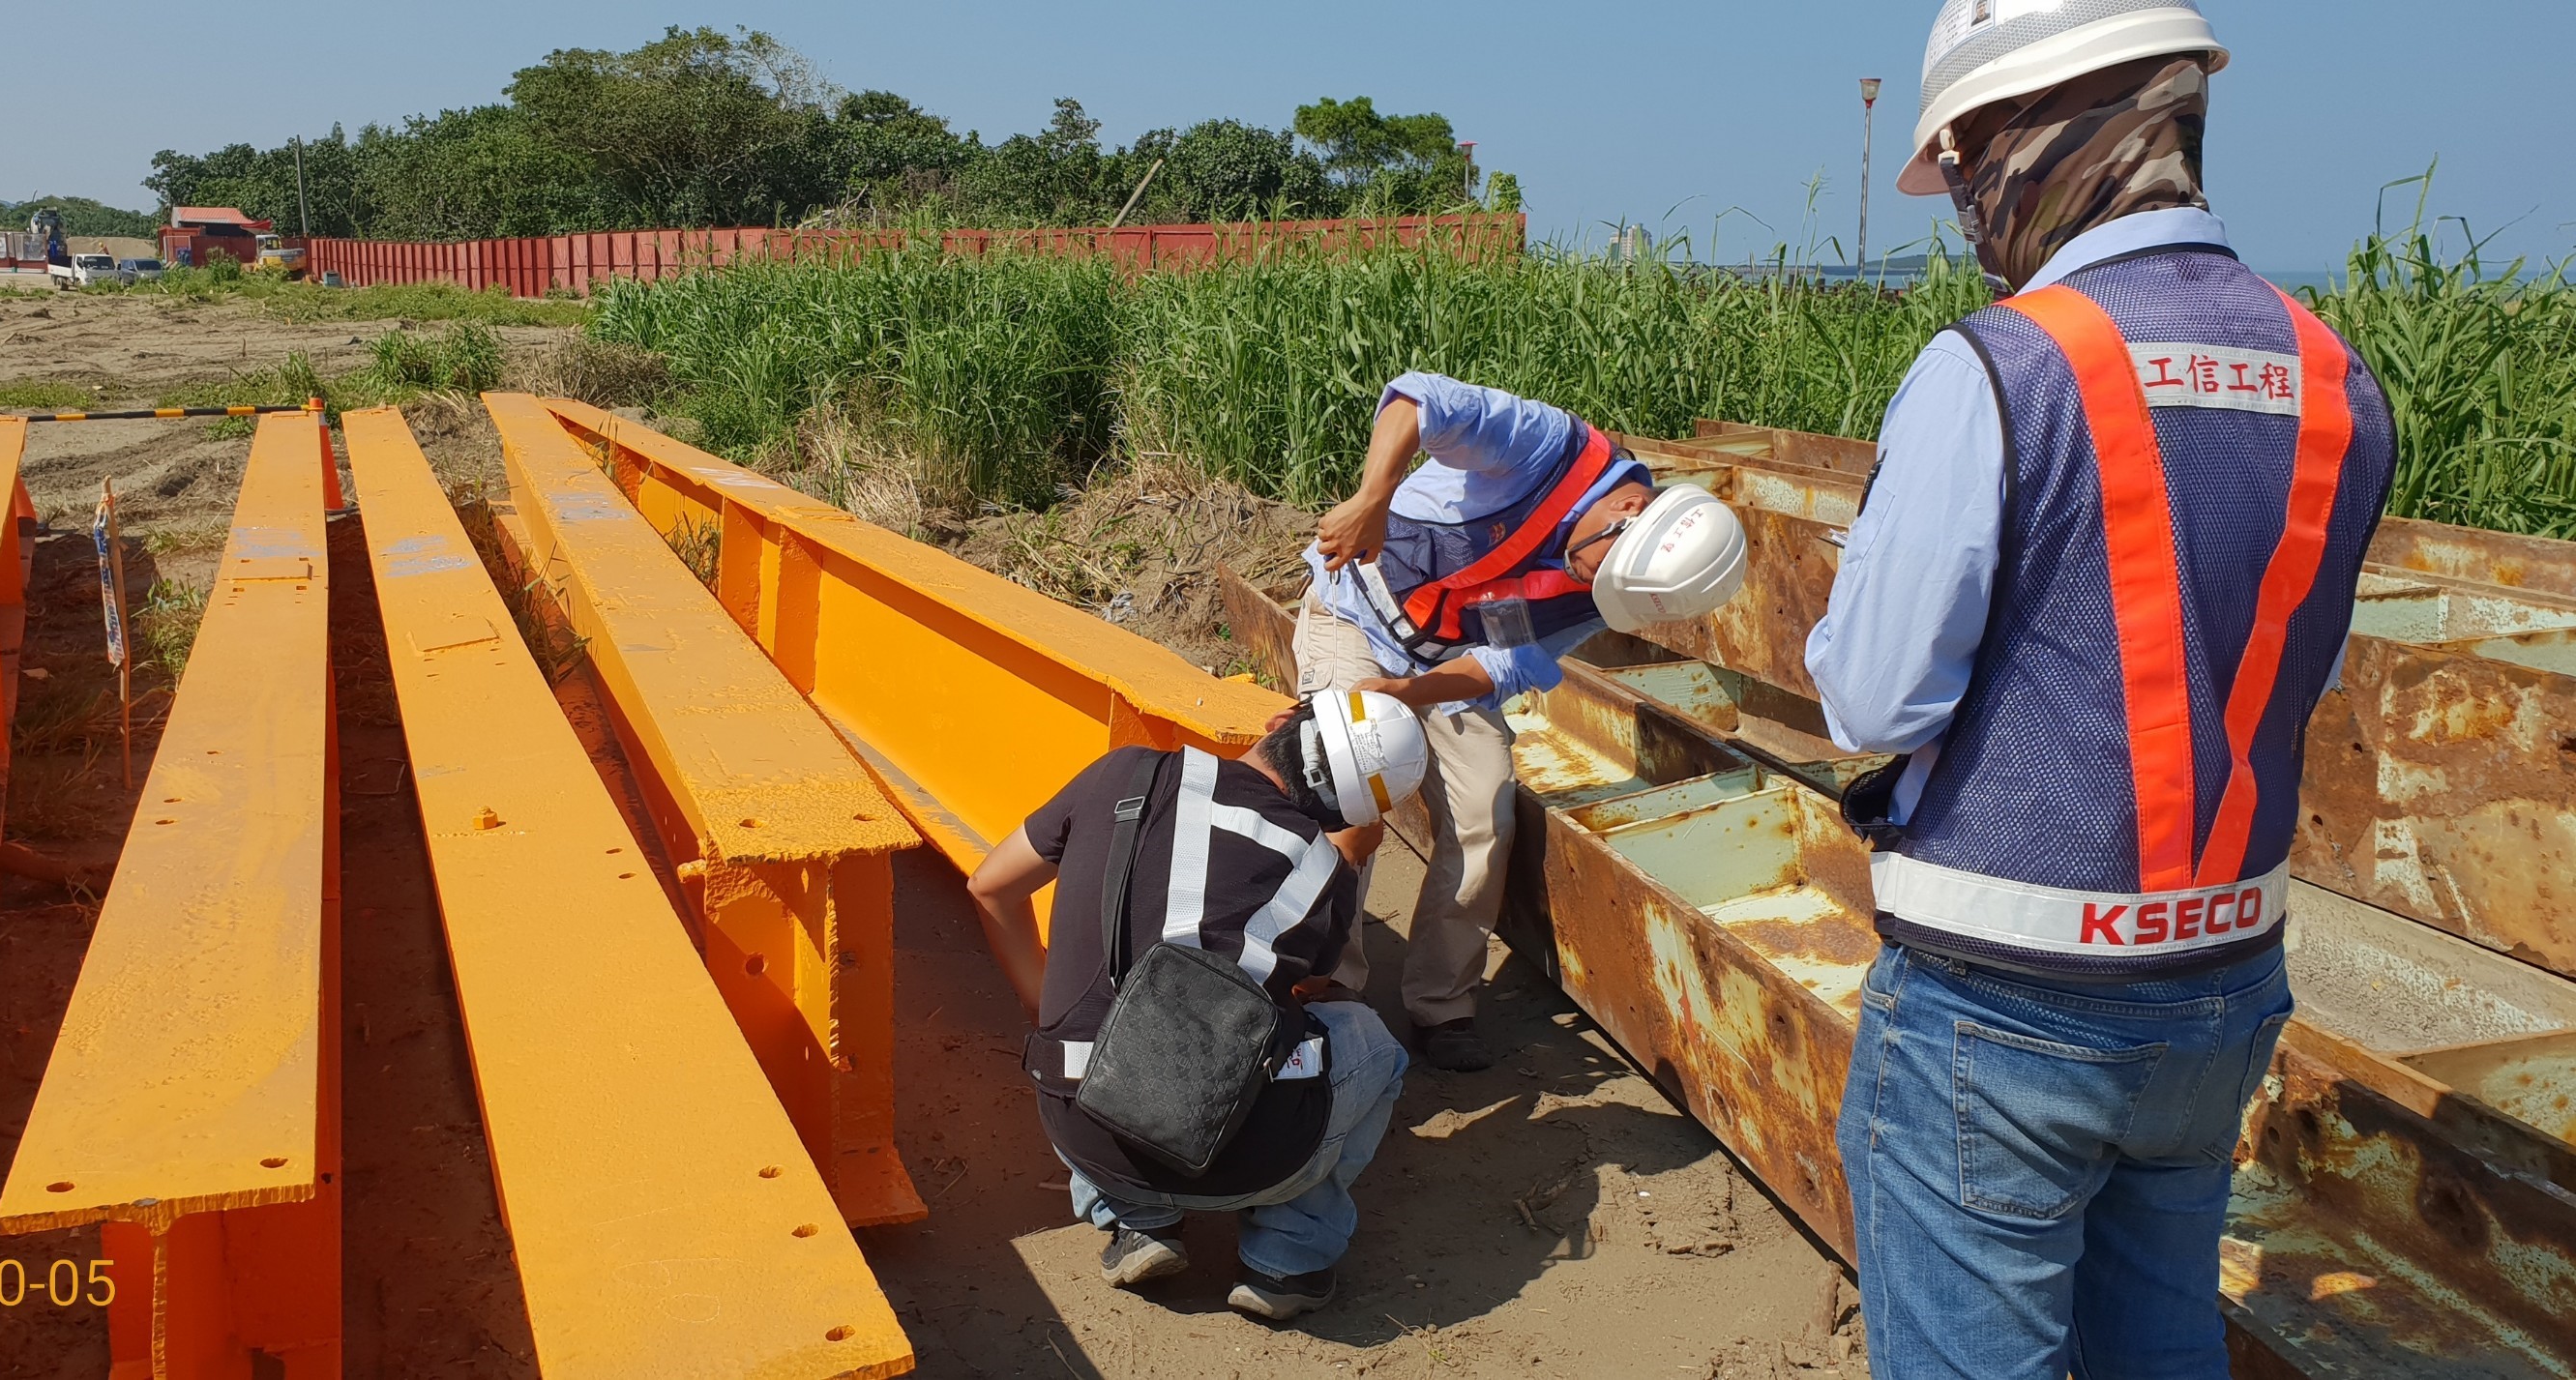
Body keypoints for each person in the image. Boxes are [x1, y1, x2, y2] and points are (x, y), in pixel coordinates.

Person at [1809, 4, 2399, 1376]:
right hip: (2222, 980)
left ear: (2014, 137)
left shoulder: (2001, 364)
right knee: (2160, 1336)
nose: (1962, 203)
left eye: (1959, 165)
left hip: (2003, 998)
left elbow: (1877, 702)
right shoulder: (2335, 377)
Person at [1302, 372, 1747, 1070]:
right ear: (1628, 506)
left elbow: (1500, 667)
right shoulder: (1548, 447)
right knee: (1351, 786)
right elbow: (1418, 401)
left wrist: (1405, 693)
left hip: (1437, 664)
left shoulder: (1614, 589)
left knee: (1485, 807)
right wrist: (1372, 499)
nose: (1591, 588)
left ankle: (1440, 1003)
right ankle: (1329, 988)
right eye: (1600, 569)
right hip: (1352, 613)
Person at [966, 689, 1431, 1321]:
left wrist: (1038, 994)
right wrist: (1345, 859)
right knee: (1372, 1043)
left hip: (1082, 1116)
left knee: (1091, 1028)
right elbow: (1304, 989)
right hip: (1250, 1156)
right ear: (1349, 816)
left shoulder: (1122, 773)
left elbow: (990, 886)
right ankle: (1288, 1254)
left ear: (1278, 722)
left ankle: (1137, 1217)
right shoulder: (1322, 865)